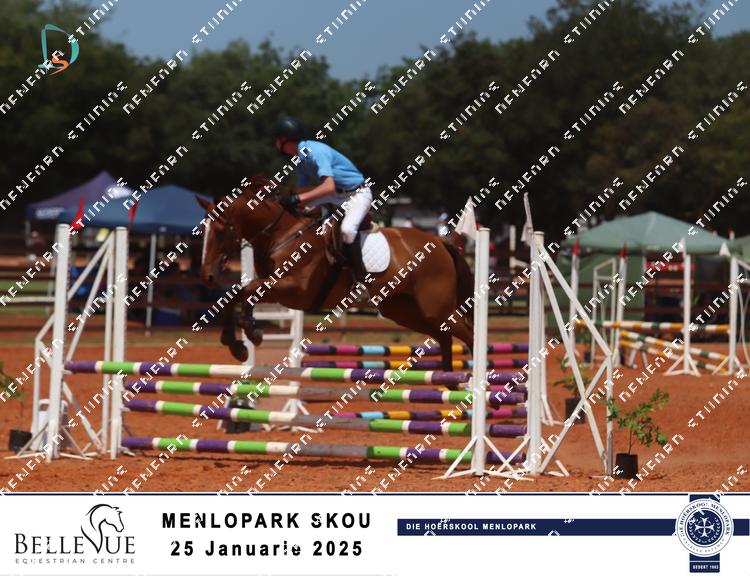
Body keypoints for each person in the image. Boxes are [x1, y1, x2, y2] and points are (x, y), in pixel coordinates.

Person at [272, 116, 373, 300]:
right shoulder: (299, 159)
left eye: (277, 139)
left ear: (285, 139)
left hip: (357, 194)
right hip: (336, 195)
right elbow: (303, 190)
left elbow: (328, 187)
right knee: (302, 215)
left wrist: (298, 198)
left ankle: (362, 281)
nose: (275, 144)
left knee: (347, 230)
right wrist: (283, 198)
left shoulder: (314, 151)